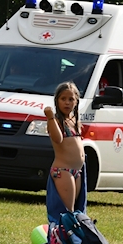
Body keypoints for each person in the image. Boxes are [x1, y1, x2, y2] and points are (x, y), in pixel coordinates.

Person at [44, 82, 86, 223]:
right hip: (63, 171)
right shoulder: (55, 120)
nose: (67, 103)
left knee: (76, 211)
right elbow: (58, 138)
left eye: (71, 99)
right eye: (63, 99)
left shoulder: (74, 121)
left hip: (76, 171)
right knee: (67, 212)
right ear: (57, 101)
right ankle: (62, 241)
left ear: (76, 101)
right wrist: (50, 117)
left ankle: (72, 241)